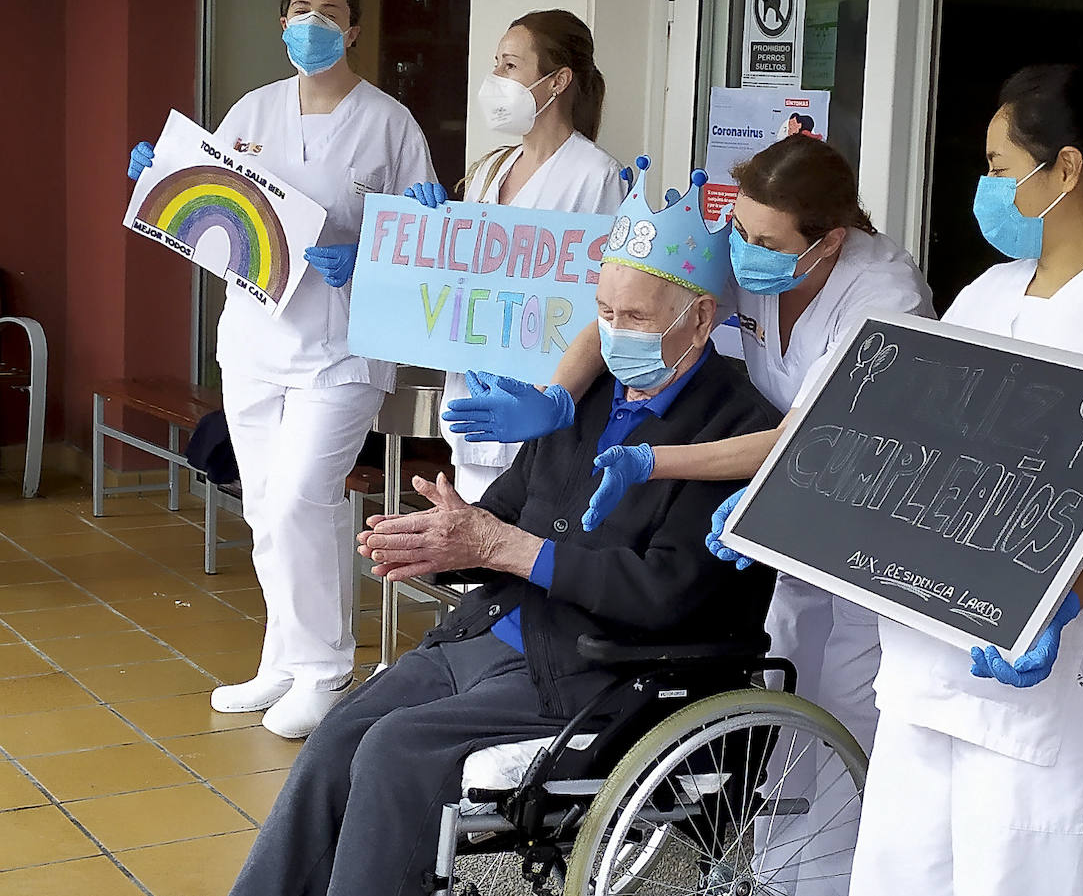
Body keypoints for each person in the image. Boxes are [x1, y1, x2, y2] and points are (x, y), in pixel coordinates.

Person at [226, 163, 779, 896]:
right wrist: (450, 536)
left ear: (701, 319)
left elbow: (664, 594)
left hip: (600, 664)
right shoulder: (581, 397)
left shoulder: (738, 429)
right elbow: (509, 513)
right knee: (337, 737)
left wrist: (507, 548)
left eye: (636, 318)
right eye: (605, 312)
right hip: (494, 630)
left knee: (394, 752)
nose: (613, 334)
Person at [729, 60, 1083, 896]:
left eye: (998, 168)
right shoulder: (985, 295)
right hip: (919, 674)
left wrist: (1058, 606)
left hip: (1034, 697)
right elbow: (906, 452)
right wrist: (784, 499)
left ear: (1066, 169)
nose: (985, 188)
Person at [444, 135, 933, 893]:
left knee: (848, 684)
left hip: (855, 489)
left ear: (830, 240)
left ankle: (837, 872)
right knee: (785, 663)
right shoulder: (758, 244)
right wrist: (559, 395)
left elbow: (806, 436)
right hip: (775, 476)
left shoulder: (884, 297)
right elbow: (636, 306)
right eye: (738, 229)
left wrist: (654, 459)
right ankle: (767, 858)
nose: (745, 250)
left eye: (765, 240)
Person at [127, 0, 436, 738]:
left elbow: (426, 242)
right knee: (270, 505)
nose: (314, 22)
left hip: (341, 347)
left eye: (331, 11)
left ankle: (327, 668)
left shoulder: (390, 122)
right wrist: (162, 180)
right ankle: (285, 656)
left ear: (355, 29)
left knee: (303, 494)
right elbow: (215, 216)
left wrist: (366, 253)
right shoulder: (251, 111)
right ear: (281, 23)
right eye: (301, 9)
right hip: (255, 340)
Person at [402, 8, 625, 503]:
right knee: (467, 560)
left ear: (557, 80)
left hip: (539, 407)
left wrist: (556, 400)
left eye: (509, 65)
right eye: (496, 64)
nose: (495, 79)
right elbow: (453, 277)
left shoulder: (597, 177)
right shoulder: (489, 171)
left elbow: (605, 304)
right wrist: (421, 230)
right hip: (468, 402)